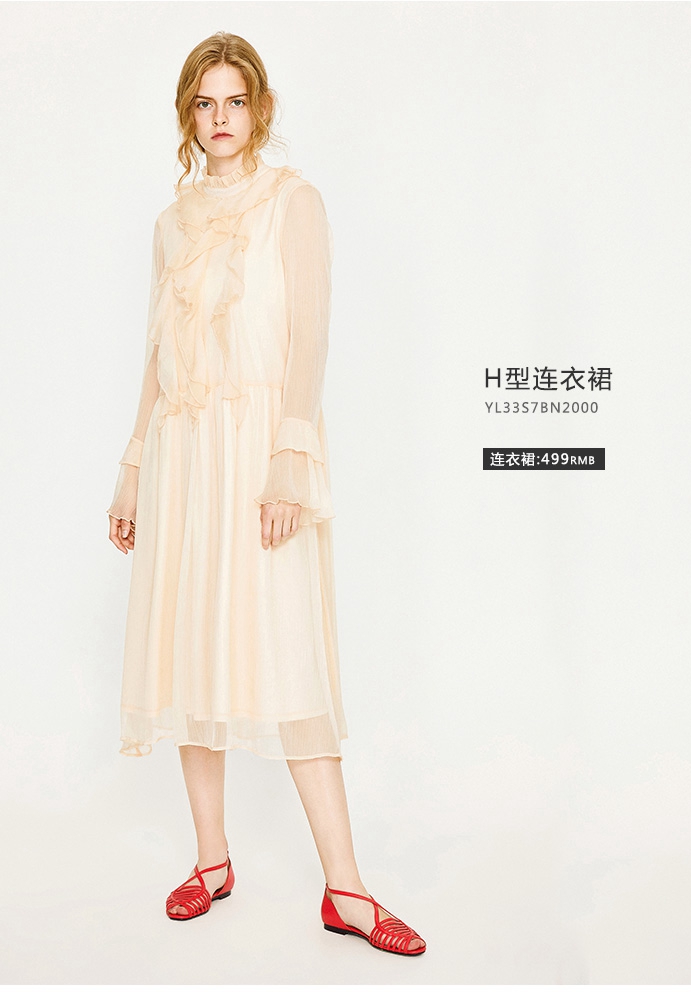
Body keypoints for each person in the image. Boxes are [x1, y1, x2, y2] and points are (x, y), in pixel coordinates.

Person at [106, 32, 425, 956]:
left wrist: (290, 459)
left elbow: (309, 340)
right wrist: (133, 467)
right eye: (204, 103)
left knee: (289, 655)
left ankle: (346, 887)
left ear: (260, 109)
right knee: (185, 649)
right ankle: (211, 860)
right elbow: (157, 356)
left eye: (235, 101)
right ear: (187, 115)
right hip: (182, 452)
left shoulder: (295, 203)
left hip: (257, 450)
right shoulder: (170, 224)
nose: (220, 118)